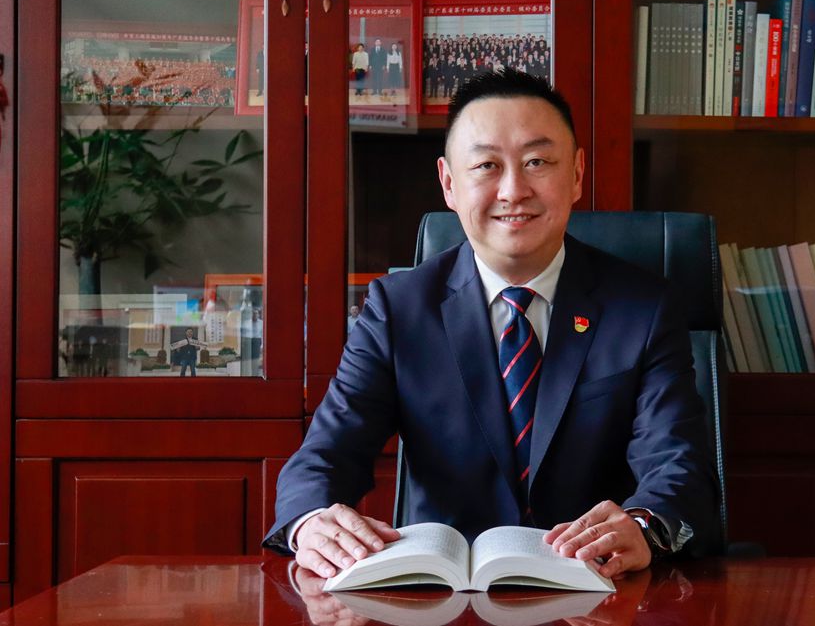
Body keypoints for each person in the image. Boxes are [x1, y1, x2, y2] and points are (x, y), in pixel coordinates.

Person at [264, 69, 719, 580]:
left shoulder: (643, 307)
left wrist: (644, 525)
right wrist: (310, 522)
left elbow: (678, 464)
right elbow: (326, 454)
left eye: (537, 162)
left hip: (596, 586)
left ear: (576, 174)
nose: (513, 190)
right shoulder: (398, 309)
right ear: (449, 183)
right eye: (486, 166)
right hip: (442, 594)